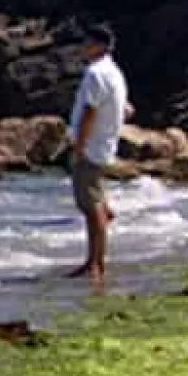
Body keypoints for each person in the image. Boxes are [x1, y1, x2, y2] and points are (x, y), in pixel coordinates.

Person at [67, 23, 130, 280]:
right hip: (104, 144)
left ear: (100, 46)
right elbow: (125, 107)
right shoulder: (114, 72)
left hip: (92, 146)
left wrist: (79, 147)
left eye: (88, 43)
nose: (83, 48)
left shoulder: (95, 74)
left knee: (92, 208)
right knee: (96, 204)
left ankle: (97, 263)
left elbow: (90, 112)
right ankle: (93, 259)